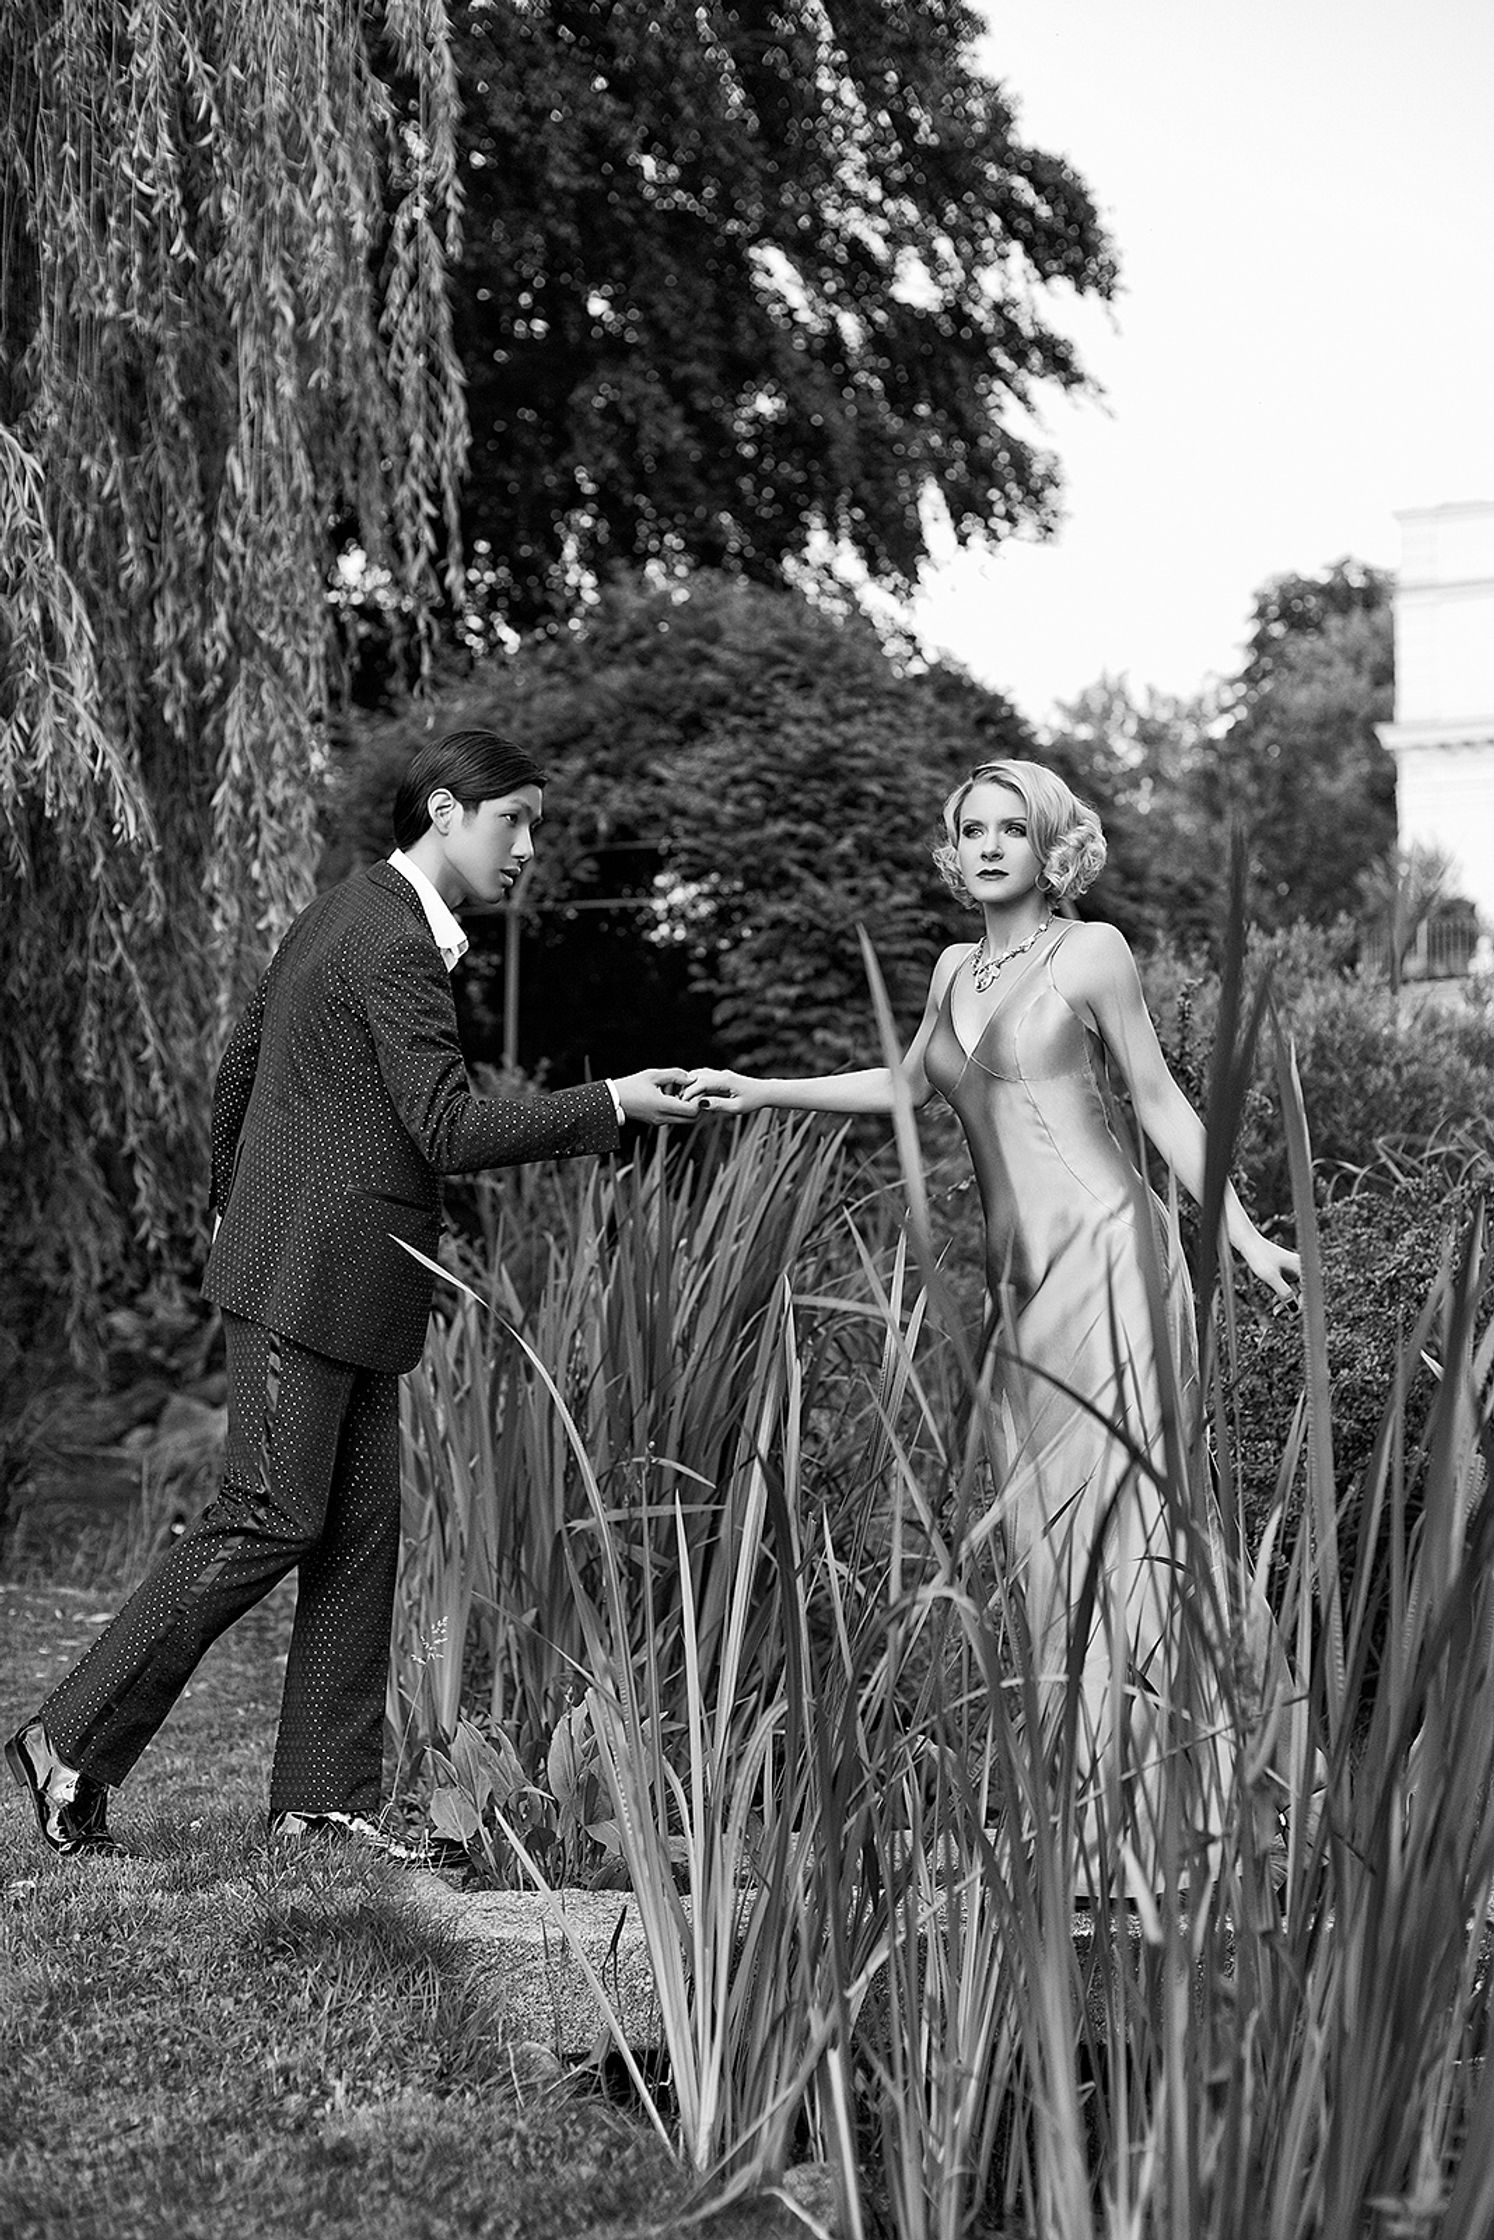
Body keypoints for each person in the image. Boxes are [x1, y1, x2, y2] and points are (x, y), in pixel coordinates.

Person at [7, 729, 698, 1861]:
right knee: (270, 1512)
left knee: (360, 1530)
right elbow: (450, 1126)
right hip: (310, 1271)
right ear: (445, 812)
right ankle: (66, 1739)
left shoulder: (348, 911)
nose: (529, 845)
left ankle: (320, 1800)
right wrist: (610, 1102)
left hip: (343, 1275)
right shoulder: (393, 942)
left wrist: (230, 1206)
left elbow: (240, 1060)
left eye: (535, 822)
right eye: (513, 820)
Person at [683, 758, 1299, 1893]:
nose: (990, 846)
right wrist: (758, 1087)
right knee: (1047, 1545)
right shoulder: (954, 967)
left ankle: (1200, 1811)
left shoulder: (1092, 951)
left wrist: (1244, 1232)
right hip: (1022, 1288)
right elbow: (907, 1085)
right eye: (973, 829)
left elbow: (1159, 1101)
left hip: (1110, 1259)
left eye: (1014, 828)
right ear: (954, 847)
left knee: (1129, 1526)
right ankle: (1098, 1816)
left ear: (1051, 845)